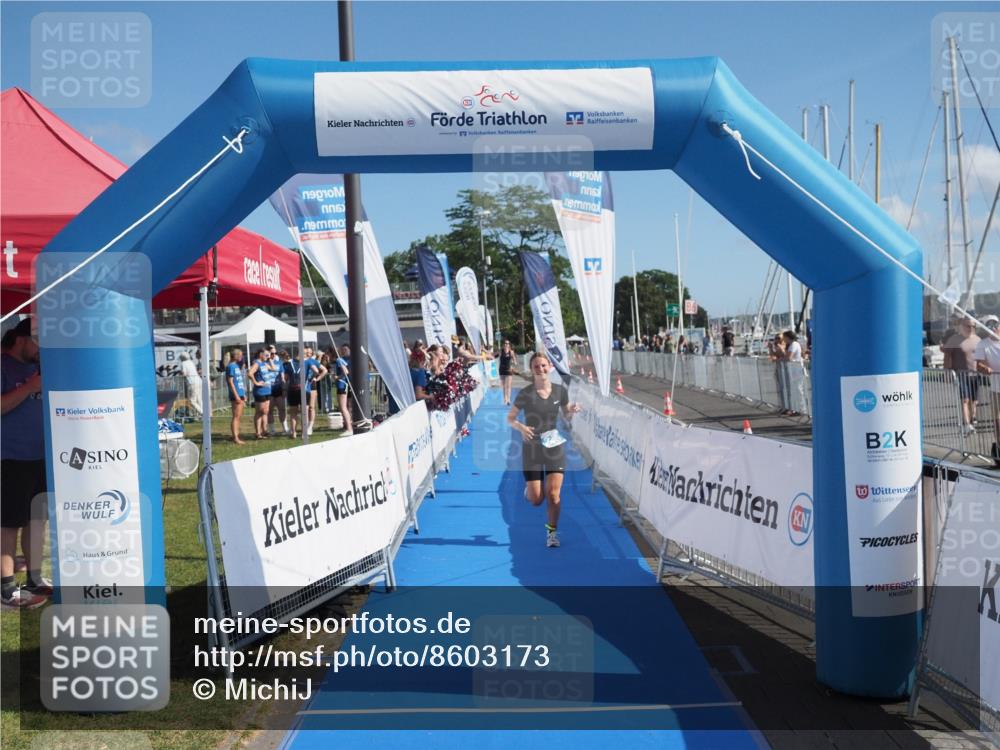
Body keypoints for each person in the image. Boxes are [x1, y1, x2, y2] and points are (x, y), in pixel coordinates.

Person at [507, 352, 582, 549]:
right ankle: (530, 491)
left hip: (553, 444)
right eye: (536, 366)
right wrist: (521, 427)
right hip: (531, 447)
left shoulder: (559, 391)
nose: (540, 369)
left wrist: (572, 411)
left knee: (554, 495)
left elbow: (566, 415)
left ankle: (552, 533)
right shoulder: (526, 393)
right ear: (531, 370)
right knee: (536, 500)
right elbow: (510, 418)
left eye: (543, 365)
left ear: (549, 366)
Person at [1, 319, 51, 609]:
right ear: (21, 339)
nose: (41, 350)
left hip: (40, 457)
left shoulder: (39, 368)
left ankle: (34, 578)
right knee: (8, 523)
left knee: (36, 520)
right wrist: (31, 386)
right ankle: (6, 587)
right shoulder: (4, 367)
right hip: (9, 457)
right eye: (38, 342)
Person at [943, 317, 982, 435]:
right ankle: (966, 424)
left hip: (975, 374)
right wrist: (947, 373)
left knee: (974, 400)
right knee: (965, 399)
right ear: (962, 326)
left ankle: (972, 420)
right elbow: (947, 357)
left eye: (973, 326)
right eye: (968, 326)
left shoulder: (978, 339)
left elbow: (982, 357)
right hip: (961, 374)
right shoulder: (954, 340)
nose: (971, 328)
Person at [974, 315, 1000, 466]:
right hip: (997, 389)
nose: (994, 328)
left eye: (996, 324)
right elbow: (979, 365)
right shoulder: (983, 344)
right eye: (989, 326)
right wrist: (985, 368)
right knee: (998, 421)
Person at [301, 346, 327, 436]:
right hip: (303, 386)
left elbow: (324, 370)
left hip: (311, 385)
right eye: (306, 352)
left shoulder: (313, 361)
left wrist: (317, 379)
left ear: (312, 354)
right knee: (304, 408)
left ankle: (310, 426)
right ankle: (305, 427)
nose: (308, 354)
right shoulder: (302, 361)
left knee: (311, 407)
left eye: (310, 352)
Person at [782, 330, 806, 416]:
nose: (784, 339)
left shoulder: (794, 344)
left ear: (788, 337)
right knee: (795, 391)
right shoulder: (793, 344)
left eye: (784, 337)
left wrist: (781, 358)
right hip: (794, 371)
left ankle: (802, 410)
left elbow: (789, 357)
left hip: (797, 371)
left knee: (798, 390)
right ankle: (796, 409)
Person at [226, 348, 247, 444]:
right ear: (235, 356)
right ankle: (235, 437)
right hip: (236, 394)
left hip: (240, 393)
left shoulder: (236, 366)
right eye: (240, 355)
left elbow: (239, 381)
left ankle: (236, 435)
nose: (242, 357)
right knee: (236, 416)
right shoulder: (231, 366)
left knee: (238, 416)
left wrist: (243, 394)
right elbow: (230, 382)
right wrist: (236, 395)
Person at [266, 346, 287, 435]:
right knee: (269, 410)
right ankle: (272, 430)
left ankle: (285, 429)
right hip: (268, 389)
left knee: (282, 409)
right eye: (272, 353)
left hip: (278, 389)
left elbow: (282, 376)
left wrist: (284, 388)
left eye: (275, 353)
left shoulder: (279, 363)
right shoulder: (264, 363)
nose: (273, 355)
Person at [281, 351, 301, 438]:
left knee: (293, 412)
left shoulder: (289, 364)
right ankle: (299, 433)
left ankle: (294, 433)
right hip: (299, 389)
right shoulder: (305, 363)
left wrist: (285, 388)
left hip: (293, 389)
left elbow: (285, 378)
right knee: (300, 412)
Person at [334, 345, 353, 436]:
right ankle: (348, 426)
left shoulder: (339, 360)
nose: (344, 351)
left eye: (345, 349)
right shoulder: (346, 360)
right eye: (343, 349)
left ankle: (349, 428)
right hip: (345, 384)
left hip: (342, 385)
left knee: (343, 407)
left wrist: (337, 377)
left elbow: (345, 372)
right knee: (346, 407)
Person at [498, 339, 516, 405]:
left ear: (509, 345)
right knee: (503, 386)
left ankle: (508, 399)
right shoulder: (500, 351)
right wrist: (484, 350)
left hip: (509, 370)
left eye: (507, 343)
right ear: (503, 344)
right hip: (502, 370)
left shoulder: (511, 352)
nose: (506, 344)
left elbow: (515, 361)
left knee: (508, 386)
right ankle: (505, 399)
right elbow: (492, 354)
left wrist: (514, 363)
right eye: (505, 343)